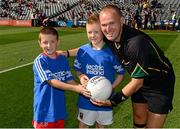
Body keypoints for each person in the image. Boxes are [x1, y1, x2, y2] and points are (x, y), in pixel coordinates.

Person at [64, 4, 175, 128]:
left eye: (111, 23)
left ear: (121, 21)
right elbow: (90, 47)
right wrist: (67, 53)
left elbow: (137, 83)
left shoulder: (136, 44)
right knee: (139, 119)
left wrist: (112, 101)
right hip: (139, 79)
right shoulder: (110, 37)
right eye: (104, 25)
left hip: (159, 84)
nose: (108, 29)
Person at [74, 14, 125, 128]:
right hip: (86, 99)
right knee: (82, 126)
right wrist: (81, 76)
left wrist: (109, 88)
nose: (93, 35)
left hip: (105, 100)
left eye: (96, 32)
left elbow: (121, 74)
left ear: (102, 31)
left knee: (101, 126)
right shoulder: (82, 51)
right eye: (89, 32)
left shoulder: (111, 52)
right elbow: (78, 70)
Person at [32, 27, 90, 128]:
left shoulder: (62, 59)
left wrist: (83, 88)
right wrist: (76, 88)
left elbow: (69, 80)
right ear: (39, 43)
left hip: (59, 110)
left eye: (52, 42)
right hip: (44, 112)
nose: (49, 46)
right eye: (45, 42)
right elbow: (52, 82)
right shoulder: (40, 61)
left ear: (58, 42)